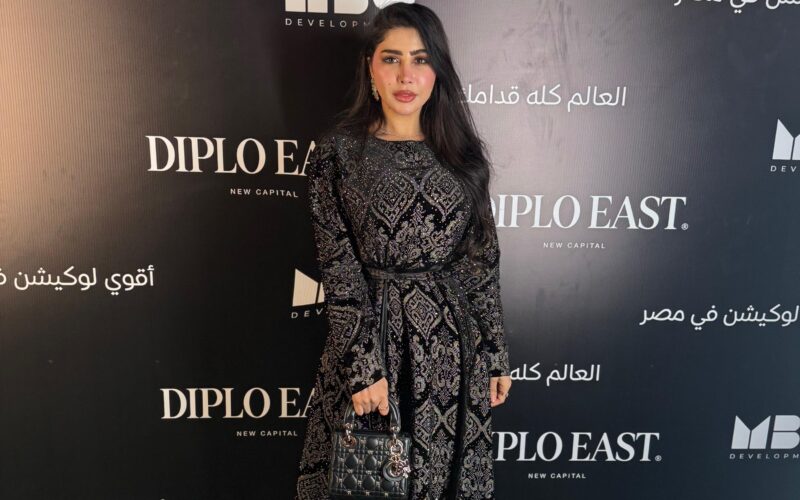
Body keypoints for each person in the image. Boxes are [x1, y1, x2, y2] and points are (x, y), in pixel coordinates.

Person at [294, 3, 511, 499]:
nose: (406, 75)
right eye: (391, 59)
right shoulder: (338, 154)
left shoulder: (463, 155)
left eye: (421, 59)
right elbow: (339, 268)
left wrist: (495, 353)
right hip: (375, 344)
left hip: (451, 353)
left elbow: (481, 262)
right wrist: (363, 367)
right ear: (370, 67)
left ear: (438, 70)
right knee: (368, 481)